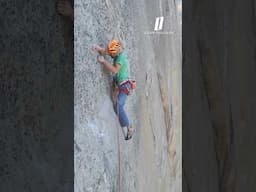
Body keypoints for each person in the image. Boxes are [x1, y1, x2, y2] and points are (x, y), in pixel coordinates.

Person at [93, 40, 135, 140]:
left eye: (112, 54)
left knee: (119, 106)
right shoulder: (116, 51)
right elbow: (106, 51)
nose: (111, 55)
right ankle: (123, 120)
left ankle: (129, 127)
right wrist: (98, 48)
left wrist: (103, 61)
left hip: (125, 86)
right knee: (116, 106)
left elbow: (114, 70)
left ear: (116, 51)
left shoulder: (120, 58)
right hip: (119, 84)